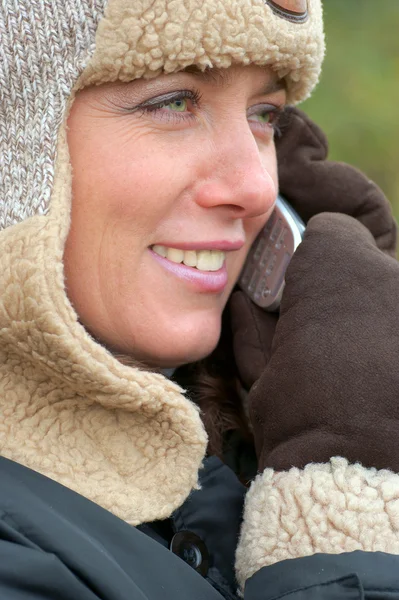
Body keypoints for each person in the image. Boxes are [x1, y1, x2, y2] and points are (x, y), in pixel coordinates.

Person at [1, 1, 399, 599]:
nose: (257, 187)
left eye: (265, 114)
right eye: (174, 102)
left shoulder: (252, 443)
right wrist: (347, 512)